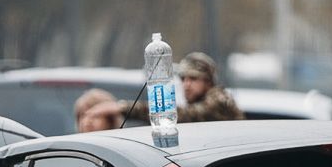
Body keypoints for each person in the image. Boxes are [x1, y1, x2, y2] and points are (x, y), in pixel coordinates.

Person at [87, 51, 243, 125]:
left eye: (193, 78)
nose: (186, 84)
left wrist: (122, 107)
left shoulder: (219, 100)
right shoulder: (204, 101)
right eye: (183, 79)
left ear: (208, 82)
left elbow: (176, 115)